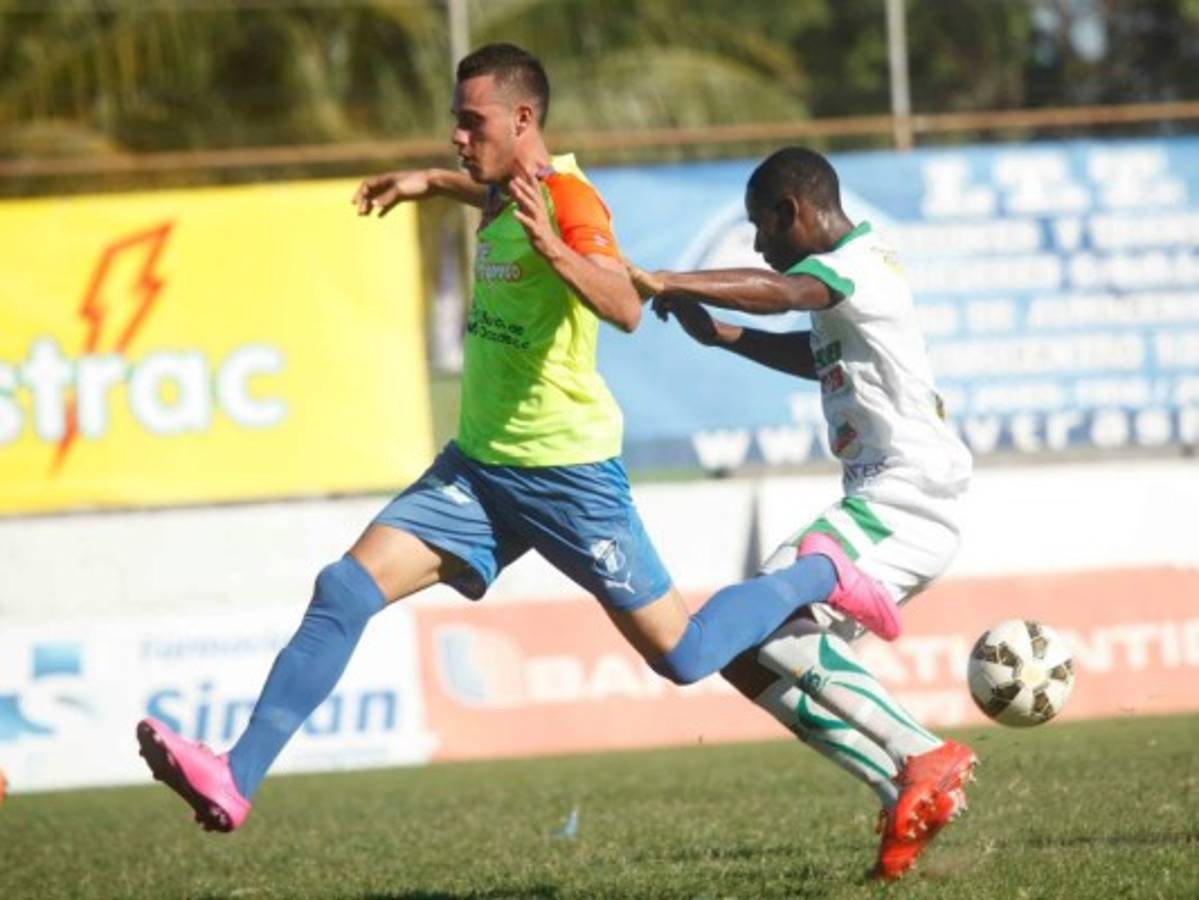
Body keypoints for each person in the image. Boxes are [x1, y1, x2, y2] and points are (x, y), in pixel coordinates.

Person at [134, 47, 895, 837]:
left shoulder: (571, 201)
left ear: (522, 119)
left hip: (568, 477)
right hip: (477, 471)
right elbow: (492, 198)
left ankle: (818, 573)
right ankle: (235, 776)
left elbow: (622, 307)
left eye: (472, 122)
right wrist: (429, 183)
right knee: (343, 590)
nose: (457, 136)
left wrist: (559, 250)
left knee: (684, 657)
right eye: (454, 124)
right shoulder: (510, 192)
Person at [626, 145, 978, 880]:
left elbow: (782, 293)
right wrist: (724, 337)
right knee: (748, 657)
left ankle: (920, 752)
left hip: (908, 494)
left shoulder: (858, 265)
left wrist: (665, 278)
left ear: (793, 211)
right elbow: (818, 356)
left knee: (773, 594)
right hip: (888, 499)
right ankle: (898, 794)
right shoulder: (848, 286)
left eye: (762, 229)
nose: (759, 246)